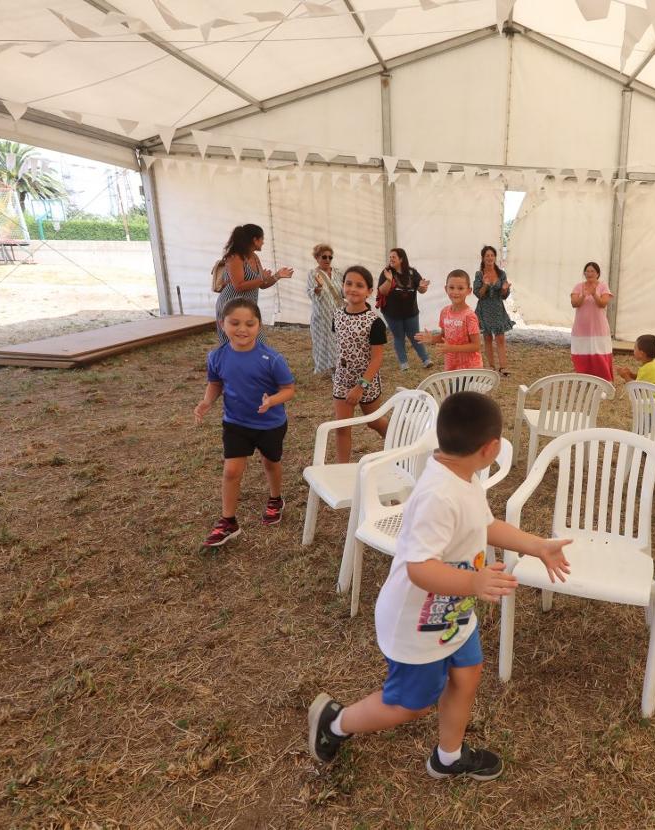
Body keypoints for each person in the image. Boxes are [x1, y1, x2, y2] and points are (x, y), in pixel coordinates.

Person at [307, 391, 572, 780]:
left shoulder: (463, 478)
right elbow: (419, 568)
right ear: (491, 448)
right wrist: (474, 581)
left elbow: (485, 524)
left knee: (467, 673)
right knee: (409, 704)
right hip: (416, 624)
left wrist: (537, 545)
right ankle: (336, 723)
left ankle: (448, 757)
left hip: (452, 614)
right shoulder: (438, 495)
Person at [193, 298, 296, 548]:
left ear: (259, 325)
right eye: (235, 323)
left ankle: (275, 499)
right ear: (222, 324)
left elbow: (289, 389)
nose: (242, 329)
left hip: (270, 424)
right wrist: (207, 401)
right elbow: (216, 383)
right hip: (235, 423)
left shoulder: (272, 358)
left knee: (270, 463)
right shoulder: (217, 356)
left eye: (250, 324)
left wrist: (272, 400)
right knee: (231, 471)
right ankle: (228, 521)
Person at [333, 266, 390, 464]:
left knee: (373, 422)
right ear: (342, 286)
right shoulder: (337, 315)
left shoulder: (374, 322)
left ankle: (400, 444)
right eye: (349, 283)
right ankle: (341, 470)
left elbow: (377, 359)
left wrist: (360, 386)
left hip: (367, 381)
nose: (353, 289)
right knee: (342, 427)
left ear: (369, 291)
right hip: (342, 379)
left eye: (359, 285)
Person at [214, 223, 293, 347]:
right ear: (254, 240)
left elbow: (262, 284)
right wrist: (262, 278)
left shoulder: (255, 257)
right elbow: (238, 286)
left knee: (257, 343)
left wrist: (277, 276)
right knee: (234, 345)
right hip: (230, 306)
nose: (263, 242)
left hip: (247, 307)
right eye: (262, 239)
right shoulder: (235, 258)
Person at [417, 270, 484, 371]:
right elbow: (444, 337)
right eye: (451, 288)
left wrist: (451, 348)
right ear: (446, 289)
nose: (455, 292)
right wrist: (432, 339)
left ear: (469, 291)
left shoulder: (470, 316)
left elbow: (476, 345)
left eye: (460, 288)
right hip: (451, 367)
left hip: (470, 369)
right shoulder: (445, 312)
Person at [378, 247, 432, 371]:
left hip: (411, 312)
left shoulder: (412, 273)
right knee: (399, 337)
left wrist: (423, 287)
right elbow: (382, 291)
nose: (391, 259)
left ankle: (426, 360)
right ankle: (404, 364)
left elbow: (421, 290)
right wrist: (388, 280)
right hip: (392, 313)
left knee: (415, 336)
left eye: (394, 257)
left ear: (401, 259)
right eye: (390, 257)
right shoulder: (387, 272)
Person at [472, 245, 514, 376]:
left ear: (495, 257)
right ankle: (491, 366)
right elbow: (478, 294)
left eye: (492, 255)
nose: (490, 258)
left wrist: (505, 289)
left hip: (497, 308)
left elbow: (504, 296)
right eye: (487, 256)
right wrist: (485, 284)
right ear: (483, 258)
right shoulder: (479, 274)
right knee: (488, 337)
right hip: (484, 309)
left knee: (500, 338)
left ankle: (503, 367)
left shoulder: (501, 274)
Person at [570, 261, 613, 382]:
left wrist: (594, 294)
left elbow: (602, 304)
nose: (589, 273)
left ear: (598, 274)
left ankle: (604, 380)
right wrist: (583, 295)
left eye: (592, 271)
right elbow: (574, 303)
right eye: (587, 271)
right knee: (582, 354)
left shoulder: (603, 286)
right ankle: (584, 379)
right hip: (581, 328)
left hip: (598, 328)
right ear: (584, 273)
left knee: (600, 354)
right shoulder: (578, 286)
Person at [307, 243, 342, 375]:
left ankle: (340, 368)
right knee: (325, 343)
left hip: (338, 313)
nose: (327, 259)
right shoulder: (313, 274)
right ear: (317, 258)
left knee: (338, 341)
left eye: (330, 257)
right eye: (324, 257)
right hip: (322, 316)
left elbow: (344, 291)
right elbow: (310, 293)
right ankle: (334, 371)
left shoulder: (338, 273)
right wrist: (319, 287)